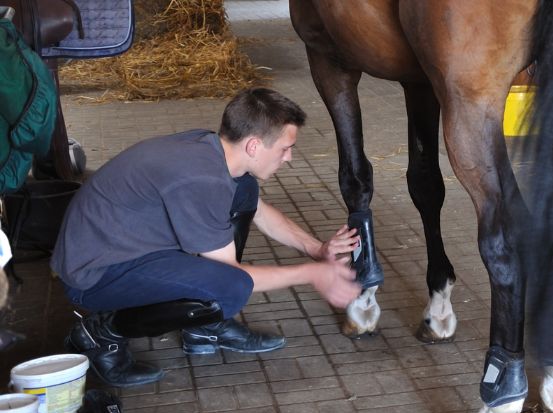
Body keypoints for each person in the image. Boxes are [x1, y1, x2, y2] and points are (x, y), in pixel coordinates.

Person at [51, 88, 361, 387]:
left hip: (120, 248)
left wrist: (315, 249)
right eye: (284, 148)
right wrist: (311, 273)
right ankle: (99, 335)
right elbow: (232, 275)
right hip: (93, 276)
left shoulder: (213, 150)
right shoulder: (202, 178)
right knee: (229, 289)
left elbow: (260, 212)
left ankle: (204, 328)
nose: (289, 157)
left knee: (245, 191)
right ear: (254, 146)